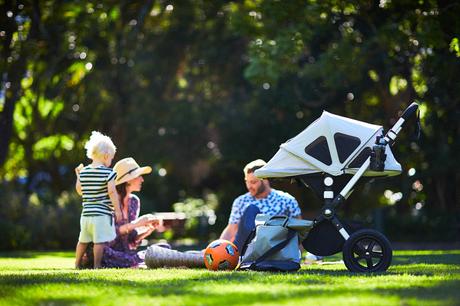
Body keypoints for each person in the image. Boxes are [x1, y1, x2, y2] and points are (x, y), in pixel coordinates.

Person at [220, 159, 302, 250]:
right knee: (251, 209)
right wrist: (218, 247)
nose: (249, 186)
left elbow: (299, 231)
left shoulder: (287, 201)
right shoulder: (241, 201)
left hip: (273, 248)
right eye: (247, 181)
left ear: (266, 179)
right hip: (245, 247)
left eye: (253, 182)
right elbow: (231, 230)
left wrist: (297, 253)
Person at [101, 157, 160, 268]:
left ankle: (137, 261)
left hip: (125, 253)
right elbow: (108, 237)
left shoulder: (134, 201)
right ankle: (137, 261)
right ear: (128, 180)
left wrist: (147, 230)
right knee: (103, 253)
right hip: (108, 252)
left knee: (162, 247)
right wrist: (137, 223)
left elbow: (130, 240)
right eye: (139, 176)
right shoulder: (109, 202)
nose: (142, 180)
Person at [74, 131, 122, 269]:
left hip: (86, 215)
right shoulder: (109, 173)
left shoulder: (84, 172)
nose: (111, 161)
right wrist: (117, 210)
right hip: (101, 214)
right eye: (111, 158)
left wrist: (78, 176)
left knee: (82, 240)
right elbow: (112, 191)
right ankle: (97, 265)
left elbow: (80, 191)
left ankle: (77, 263)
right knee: (99, 242)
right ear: (106, 156)